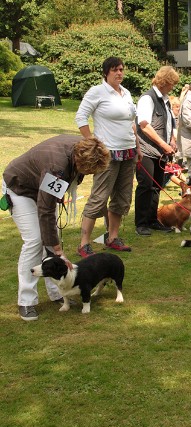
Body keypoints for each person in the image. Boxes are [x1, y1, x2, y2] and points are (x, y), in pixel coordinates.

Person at [2, 135, 110, 321]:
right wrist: (58, 251)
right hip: (20, 189)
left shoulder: (84, 147)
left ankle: (58, 293)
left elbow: (49, 204)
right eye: (89, 170)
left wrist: (54, 245)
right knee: (36, 240)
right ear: (79, 160)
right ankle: (26, 301)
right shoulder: (56, 168)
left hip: (38, 185)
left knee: (51, 237)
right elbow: (46, 210)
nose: (90, 174)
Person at [75, 57, 141, 257]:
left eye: (121, 69)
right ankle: (84, 243)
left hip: (128, 152)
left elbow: (131, 123)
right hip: (108, 154)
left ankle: (112, 237)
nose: (119, 73)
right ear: (106, 72)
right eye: (115, 70)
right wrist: (94, 144)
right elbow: (80, 117)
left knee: (122, 198)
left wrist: (138, 147)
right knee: (99, 197)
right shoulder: (97, 91)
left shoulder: (126, 93)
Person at [135, 65, 180, 236]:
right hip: (146, 151)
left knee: (156, 187)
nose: (173, 87)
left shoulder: (166, 99)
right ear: (164, 82)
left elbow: (169, 123)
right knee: (145, 186)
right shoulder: (147, 98)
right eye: (171, 84)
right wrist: (163, 144)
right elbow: (144, 125)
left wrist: (172, 140)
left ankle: (153, 220)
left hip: (161, 152)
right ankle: (141, 223)